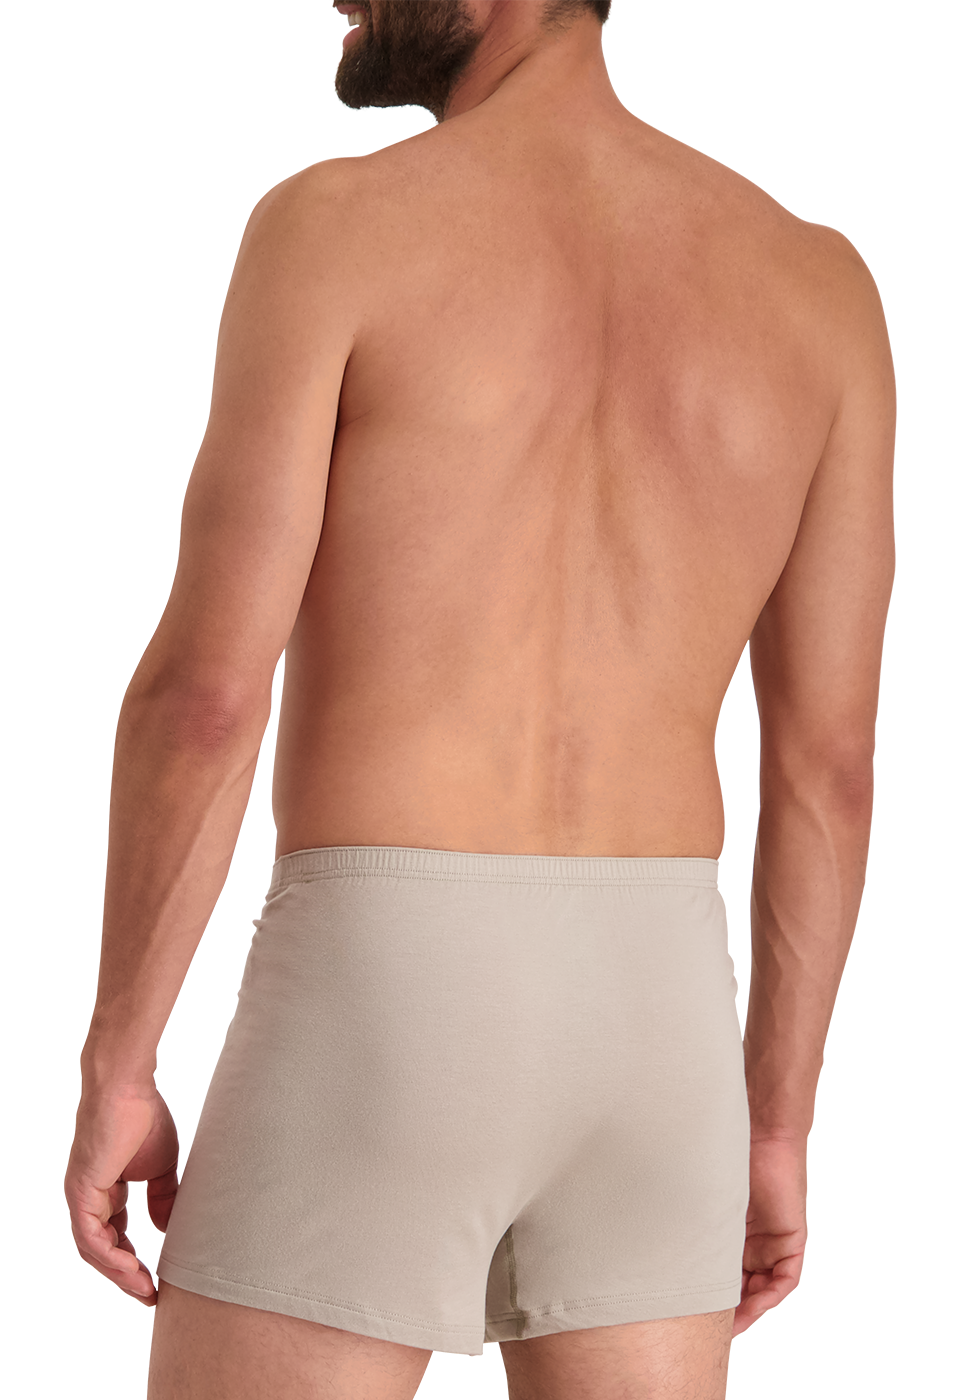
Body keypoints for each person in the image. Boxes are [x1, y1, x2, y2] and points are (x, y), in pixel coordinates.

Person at [64, 0, 896, 1396]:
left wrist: (119, 1071)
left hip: (381, 997)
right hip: (664, 1027)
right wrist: (772, 1128)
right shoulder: (818, 289)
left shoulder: (340, 232)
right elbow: (828, 770)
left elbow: (205, 701)